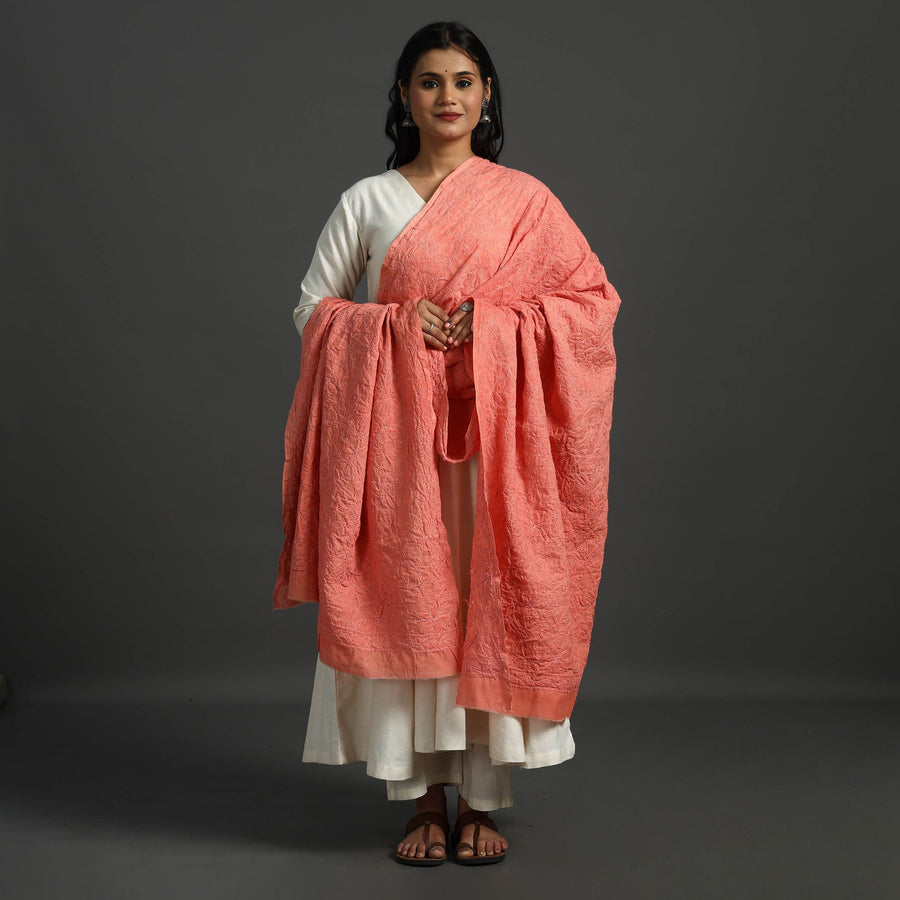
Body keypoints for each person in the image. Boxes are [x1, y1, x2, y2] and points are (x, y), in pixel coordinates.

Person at [273, 20, 621, 867]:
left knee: (484, 602)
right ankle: (425, 800)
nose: (448, 97)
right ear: (404, 97)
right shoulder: (368, 200)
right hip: (397, 451)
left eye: (463, 81)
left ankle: (484, 800)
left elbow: (591, 304)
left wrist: (493, 324)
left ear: (487, 94)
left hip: (497, 454)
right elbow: (314, 310)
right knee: (414, 601)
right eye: (429, 82)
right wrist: (393, 325)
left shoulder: (525, 202)